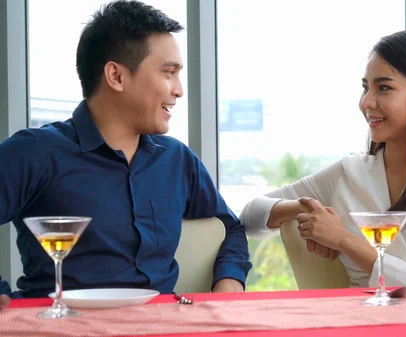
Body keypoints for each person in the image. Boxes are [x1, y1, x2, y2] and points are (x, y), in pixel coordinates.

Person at [0, 0, 251, 308]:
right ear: (116, 76)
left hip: (164, 327)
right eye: (168, 72)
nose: (179, 90)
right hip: (61, 326)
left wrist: (228, 284)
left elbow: (231, 228)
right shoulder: (34, 152)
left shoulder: (178, 160)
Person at [240, 30, 406, 288]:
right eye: (366, 88)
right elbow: (250, 216)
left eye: (384, 88)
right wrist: (304, 208)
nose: (366, 102)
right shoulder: (350, 173)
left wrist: (344, 240)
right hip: (357, 320)